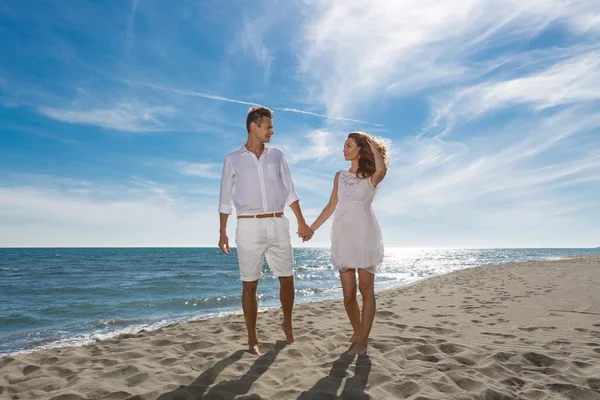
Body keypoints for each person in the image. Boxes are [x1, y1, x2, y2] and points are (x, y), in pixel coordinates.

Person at [218, 106, 313, 355]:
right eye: (268, 126)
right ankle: (252, 339)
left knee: (287, 278)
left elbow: (290, 190)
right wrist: (222, 232)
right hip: (248, 225)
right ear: (254, 127)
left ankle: (287, 325)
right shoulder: (232, 159)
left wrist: (301, 222)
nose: (272, 131)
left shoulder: (278, 155)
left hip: (278, 222)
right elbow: (225, 200)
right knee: (249, 284)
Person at [309, 132, 389, 356]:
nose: (344, 149)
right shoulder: (339, 176)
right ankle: (357, 331)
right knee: (348, 294)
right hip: (342, 235)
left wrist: (373, 148)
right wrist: (311, 228)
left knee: (366, 288)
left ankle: (363, 342)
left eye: (348, 145)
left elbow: (382, 170)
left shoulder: (371, 175)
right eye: (344, 145)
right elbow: (330, 205)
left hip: (365, 233)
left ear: (360, 149)